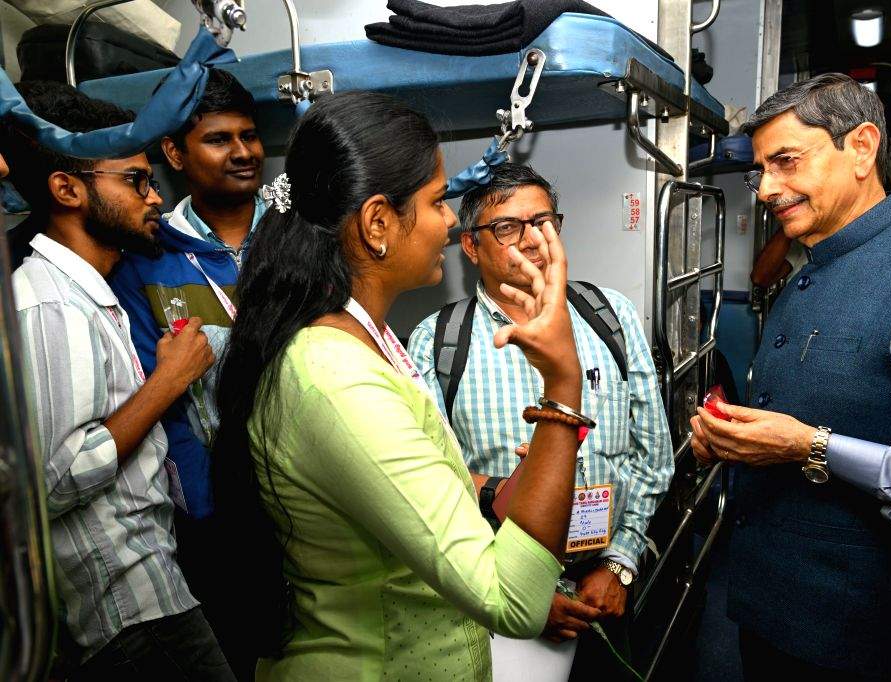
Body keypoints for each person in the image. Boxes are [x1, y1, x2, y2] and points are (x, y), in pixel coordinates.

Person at [212, 91, 588, 681]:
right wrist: (563, 383)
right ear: (378, 222)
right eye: (439, 201)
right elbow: (513, 600)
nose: (450, 220)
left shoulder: (363, 339)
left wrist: (497, 490)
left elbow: (416, 491)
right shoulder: (335, 380)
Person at [690, 73, 891, 681]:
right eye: (760, 170)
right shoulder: (805, 274)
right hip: (771, 620)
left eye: (786, 162)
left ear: (863, 148)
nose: (766, 188)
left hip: (870, 641)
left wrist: (814, 448)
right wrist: (735, 441)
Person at [1, 81, 232, 680]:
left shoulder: (85, 294)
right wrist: (168, 381)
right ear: (67, 189)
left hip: (153, 588)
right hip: (127, 610)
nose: (154, 196)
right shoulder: (47, 303)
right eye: (134, 181)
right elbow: (53, 480)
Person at [407, 162, 673, 679]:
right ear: (470, 246)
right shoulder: (439, 341)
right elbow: (436, 489)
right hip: (497, 595)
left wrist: (619, 564)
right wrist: (523, 592)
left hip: (604, 586)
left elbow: (653, 458)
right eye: (507, 228)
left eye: (544, 222)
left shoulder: (609, 316)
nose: (532, 240)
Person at [106, 71, 264, 673]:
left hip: (315, 499)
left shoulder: (298, 243)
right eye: (219, 139)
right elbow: (161, 400)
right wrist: (207, 513)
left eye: (249, 136)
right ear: (174, 153)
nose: (243, 152)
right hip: (218, 519)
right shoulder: (146, 260)